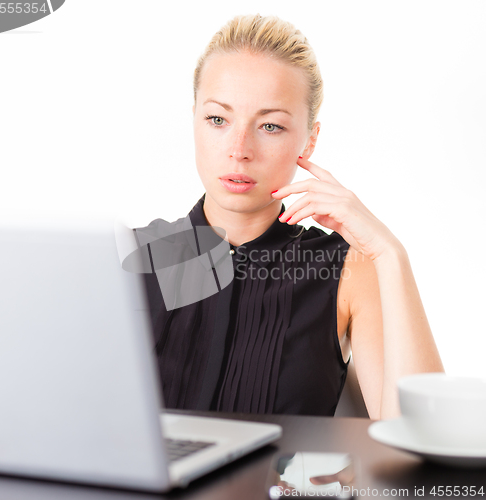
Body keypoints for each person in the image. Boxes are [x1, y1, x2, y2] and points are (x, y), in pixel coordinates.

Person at [138, 13, 444, 420]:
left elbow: (424, 439)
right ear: (194, 119)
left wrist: (389, 253)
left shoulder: (352, 268)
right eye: (218, 119)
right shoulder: (129, 257)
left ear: (310, 140)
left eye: (270, 126)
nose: (239, 149)